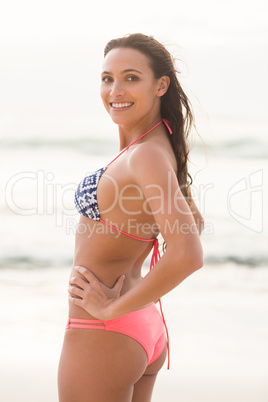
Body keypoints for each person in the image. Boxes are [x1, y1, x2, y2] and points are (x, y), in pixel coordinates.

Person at [58, 33, 204, 402]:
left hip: (104, 330)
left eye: (131, 77)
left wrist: (111, 307)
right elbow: (193, 221)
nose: (115, 89)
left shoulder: (146, 156)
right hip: (138, 327)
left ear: (161, 85)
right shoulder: (155, 147)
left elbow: (188, 253)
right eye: (107, 78)